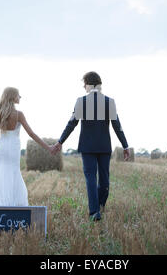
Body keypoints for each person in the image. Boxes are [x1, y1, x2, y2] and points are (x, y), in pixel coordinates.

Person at [51, 72, 130, 221]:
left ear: (88, 84)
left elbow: (71, 124)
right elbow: (117, 126)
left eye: (84, 84)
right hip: (104, 147)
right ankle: (97, 208)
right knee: (104, 180)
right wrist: (125, 146)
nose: (83, 87)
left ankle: (96, 210)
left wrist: (60, 141)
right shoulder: (109, 102)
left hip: (87, 147)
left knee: (91, 179)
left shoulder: (81, 101)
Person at [0, 87, 52, 215]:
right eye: (18, 95)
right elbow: (31, 133)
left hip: (2, 147)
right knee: (12, 173)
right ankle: (8, 205)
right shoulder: (19, 114)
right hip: (13, 147)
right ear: (13, 97)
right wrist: (48, 147)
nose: (20, 97)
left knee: (0, 173)